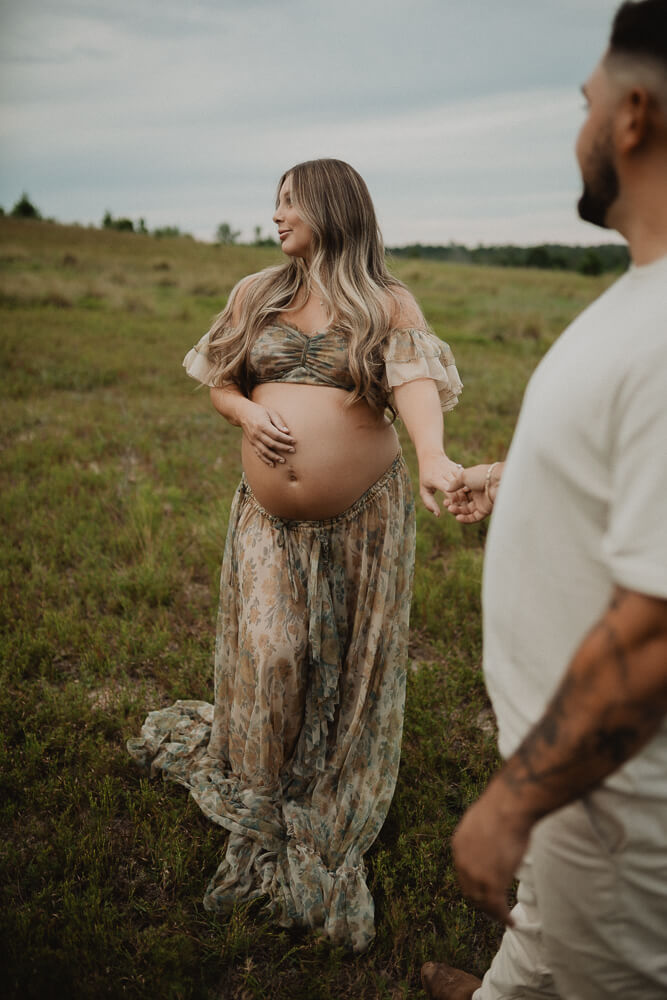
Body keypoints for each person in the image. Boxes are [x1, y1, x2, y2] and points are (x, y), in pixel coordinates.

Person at [127, 158, 463, 953]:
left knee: (339, 663)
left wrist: (437, 460)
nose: (276, 216)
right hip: (266, 519)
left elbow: (413, 386)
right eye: (274, 203)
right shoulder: (258, 294)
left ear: (330, 208)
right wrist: (246, 413)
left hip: (361, 519)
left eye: (289, 203)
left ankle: (321, 786)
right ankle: (265, 790)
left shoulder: (385, 302)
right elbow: (218, 378)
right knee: (275, 651)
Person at [421, 2, 667, 998]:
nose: (576, 133)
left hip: (611, 802)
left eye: (582, 106)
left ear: (633, 116)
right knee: (548, 938)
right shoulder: (638, 295)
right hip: (578, 796)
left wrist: (513, 802)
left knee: (602, 969)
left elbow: (656, 629)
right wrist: (515, 479)